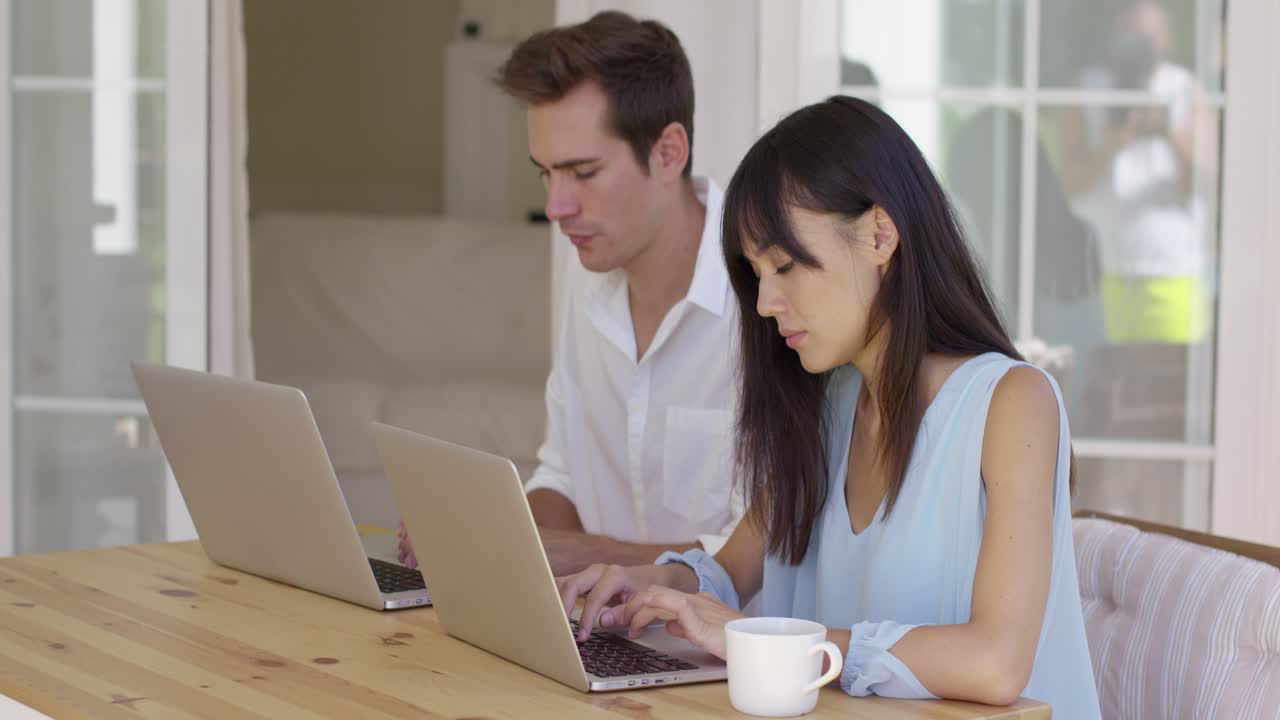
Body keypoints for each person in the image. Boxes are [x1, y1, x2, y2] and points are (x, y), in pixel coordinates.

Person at [557, 96, 1101, 717]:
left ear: (879, 234)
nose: (765, 303)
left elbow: (996, 664)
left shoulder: (1012, 403)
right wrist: (653, 585)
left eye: (785, 266)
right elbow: (731, 570)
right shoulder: (827, 405)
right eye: (756, 273)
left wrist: (781, 646)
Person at [398, 11, 743, 576]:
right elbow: (563, 476)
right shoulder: (587, 272)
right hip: (591, 620)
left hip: (725, 633)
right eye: (545, 172)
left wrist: (588, 555)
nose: (556, 207)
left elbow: (770, 558)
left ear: (668, 152)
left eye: (583, 173)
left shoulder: (769, 298)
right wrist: (489, 528)